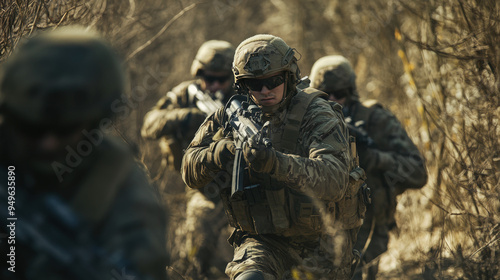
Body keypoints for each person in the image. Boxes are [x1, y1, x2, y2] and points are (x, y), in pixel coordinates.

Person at [182, 34, 365, 280]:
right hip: (262, 241)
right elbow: (189, 171)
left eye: (273, 81)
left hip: (323, 244)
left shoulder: (317, 113)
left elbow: (334, 180)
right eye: (254, 84)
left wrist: (276, 163)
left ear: (289, 76)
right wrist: (218, 153)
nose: (265, 91)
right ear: (241, 84)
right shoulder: (230, 114)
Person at [0, 27, 169, 280]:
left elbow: (141, 263)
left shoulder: (119, 187)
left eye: (65, 129)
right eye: (31, 128)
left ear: (94, 123)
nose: (47, 143)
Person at [309, 55, 428, 280]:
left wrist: (374, 159)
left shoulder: (376, 119)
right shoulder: (305, 124)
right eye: (325, 95)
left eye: (340, 94)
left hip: (367, 228)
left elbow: (418, 173)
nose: (333, 100)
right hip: (317, 231)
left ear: (351, 91)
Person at [142, 40, 236, 279]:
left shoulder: (241, 98)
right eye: (208, 77)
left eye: (221, 79)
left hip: (241, 184)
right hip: (202, 187)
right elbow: (149, 124)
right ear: (198, 72)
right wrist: (188, 117)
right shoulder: (186, 93)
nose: (214, 85)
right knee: (198, 249)